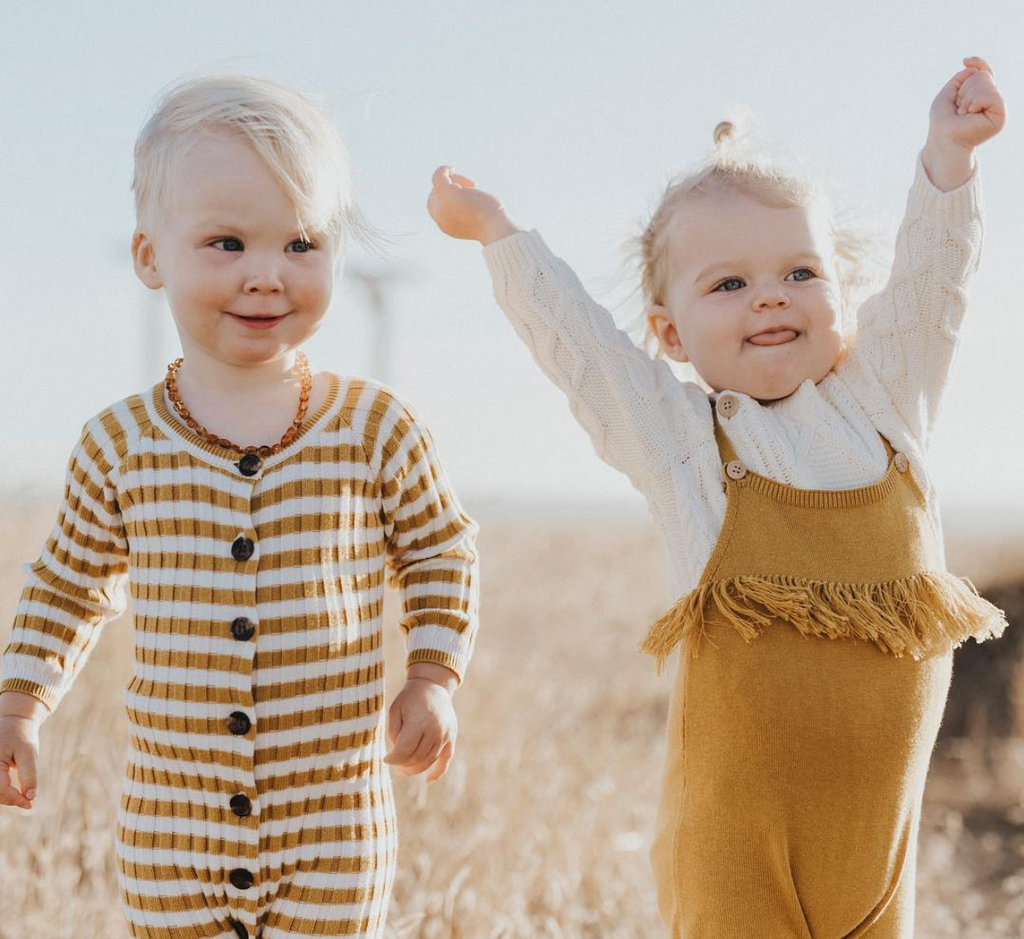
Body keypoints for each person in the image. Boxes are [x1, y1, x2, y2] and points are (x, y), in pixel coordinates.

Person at [427, 57, 1008, 937]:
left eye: (800, 272)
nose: (770, 294)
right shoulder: (688, 448)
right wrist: (497, 232)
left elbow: (936, 283)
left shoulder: (888, 404)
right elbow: (583, 348)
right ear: (669, 332)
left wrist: (950, 154)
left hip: (873, 849)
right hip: (735, 854)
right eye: (727, 283)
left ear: (843, 300)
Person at [0, 74, 480, 939]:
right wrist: (20, 702)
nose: (266, 274)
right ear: (150, 256)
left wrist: (433, 674)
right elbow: (69, 584)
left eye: (301, 243)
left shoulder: (377, 427)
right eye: (226, 242)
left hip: (332, 824)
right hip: (170, 830)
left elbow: (442, 550)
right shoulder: (119, 443)